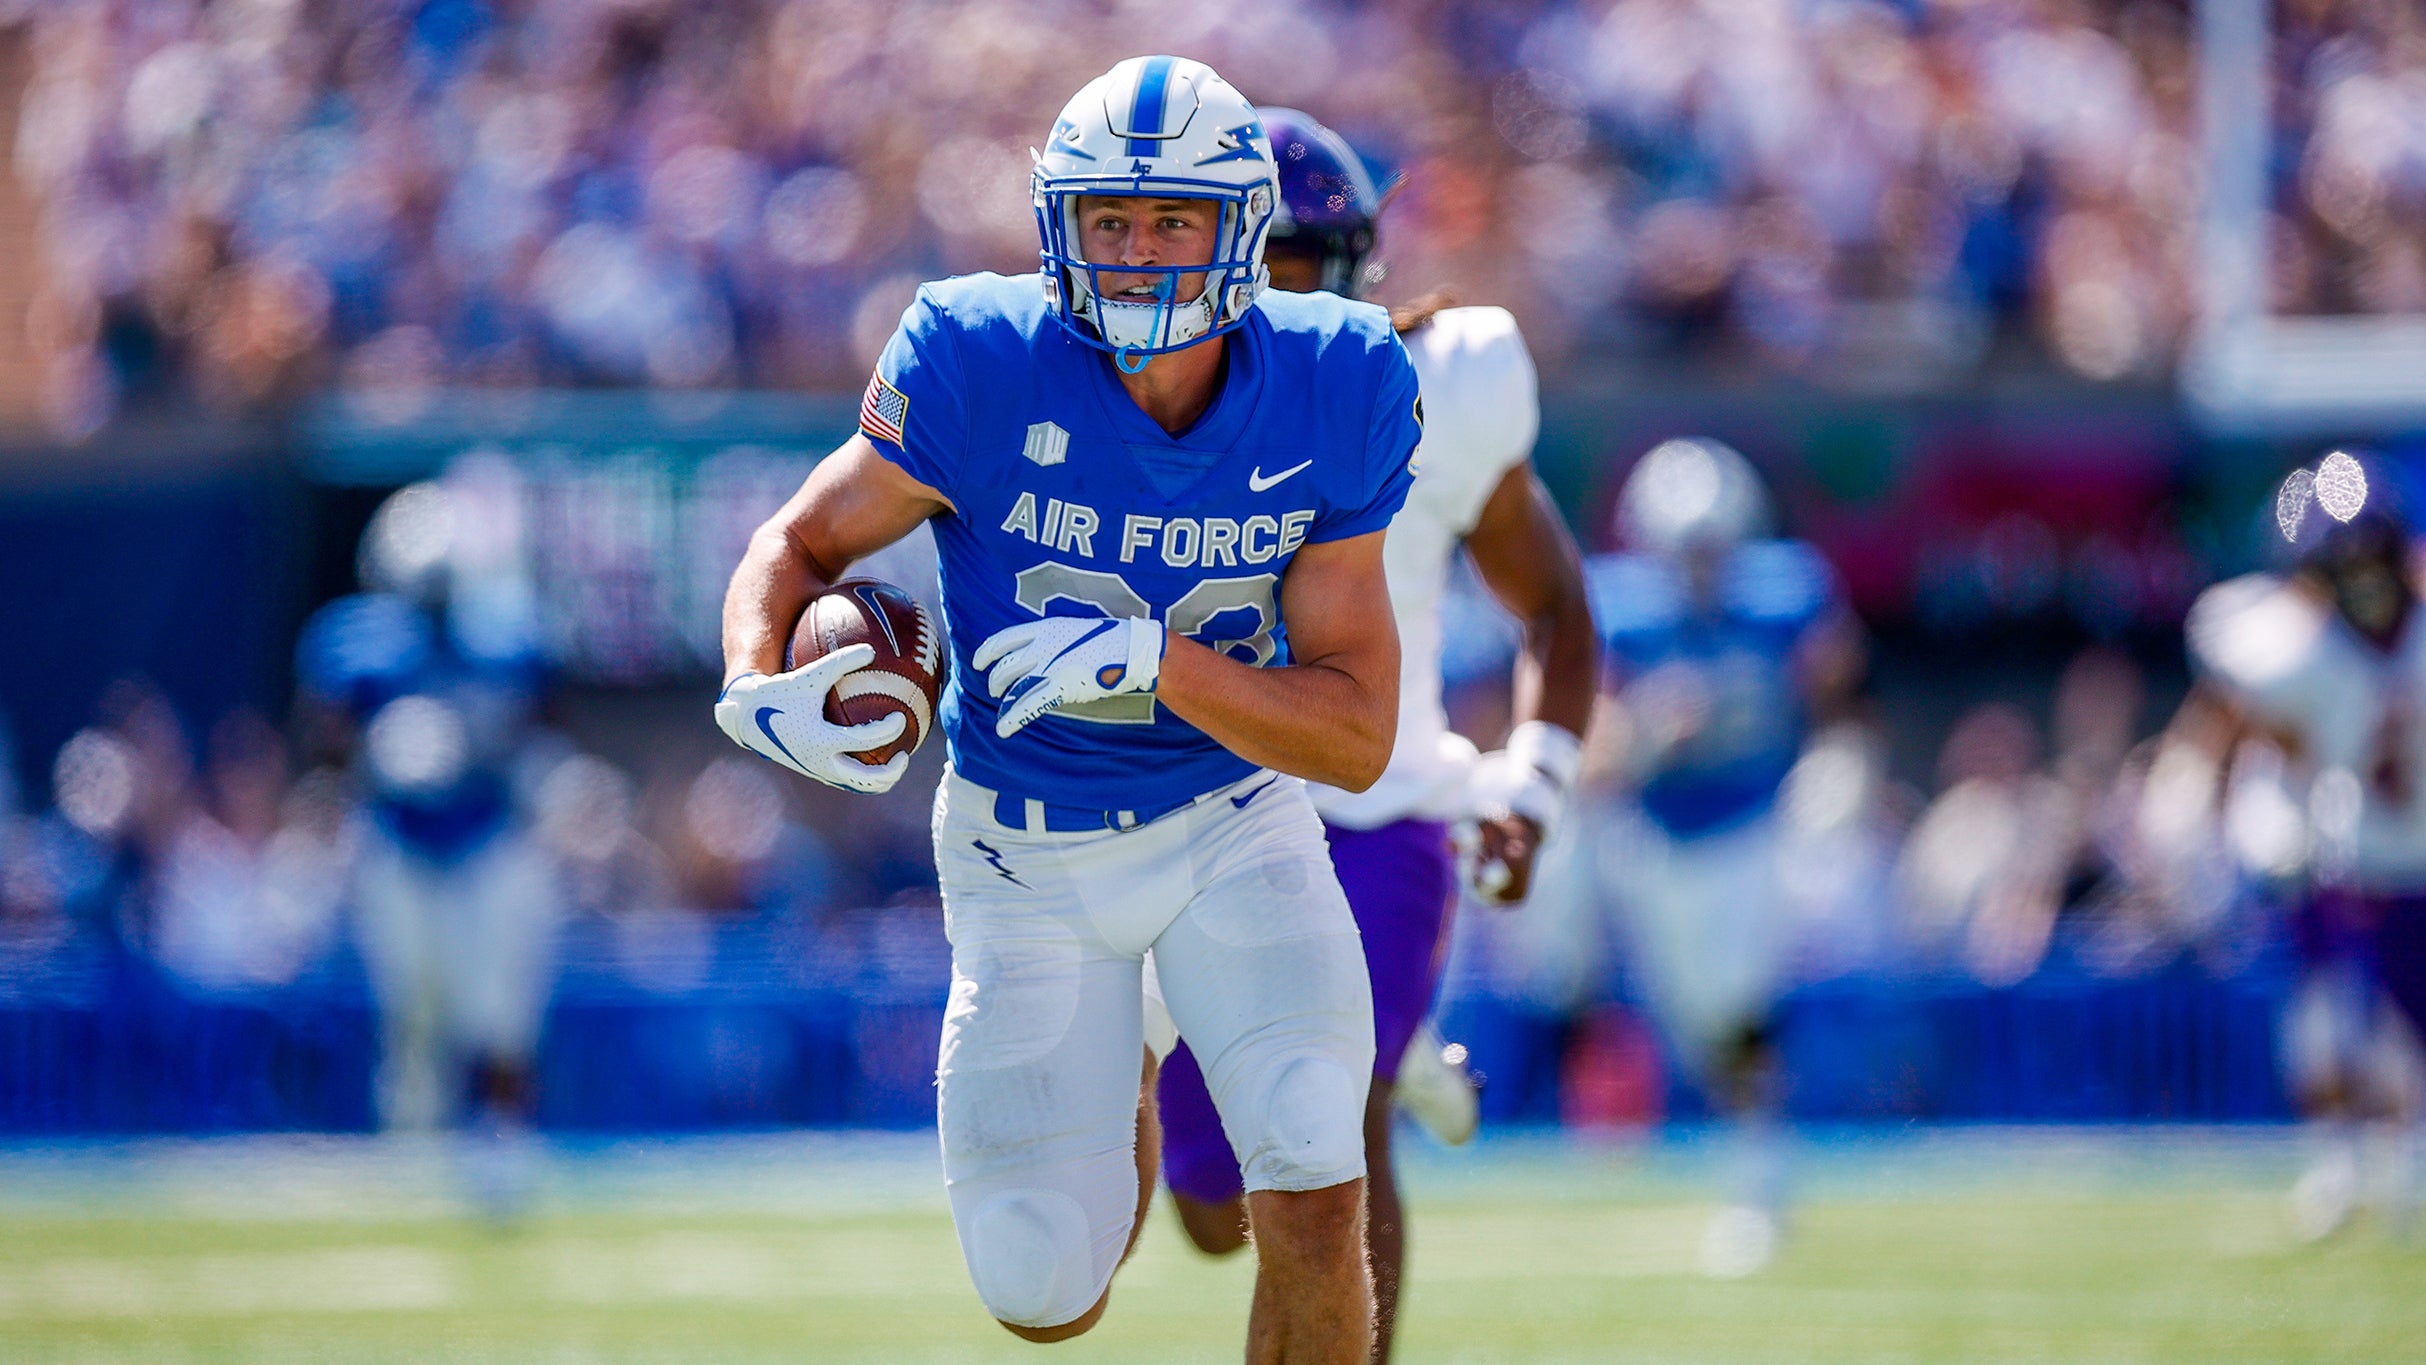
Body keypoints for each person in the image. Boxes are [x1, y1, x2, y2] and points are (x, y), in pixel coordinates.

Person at [715, 57, 1419, 1361]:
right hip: (1021, 851)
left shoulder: (1340, 373)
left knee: (1318, 1186)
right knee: (1045, 1293)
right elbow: (798, 541)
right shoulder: (977, 354)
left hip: (1231, 821)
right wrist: (758, 685)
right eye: (1109, 220)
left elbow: (1354, 730)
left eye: (1173, 221)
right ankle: (1127, 1067)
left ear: (1243, 232)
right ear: (1059, 228)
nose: (1139, 252)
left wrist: (1156, 662)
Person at [1144, 108, 1596, 1364]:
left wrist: (1535, 781)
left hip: (1379, 810)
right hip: (1202, 814)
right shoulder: (1123, 393)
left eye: (1306, 269)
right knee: (1209, 1206)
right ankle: (1394, 1058)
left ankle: (1381, 1063)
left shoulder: (1445, 386)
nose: (1283, 307)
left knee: (1330, 1135)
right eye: (1261, 269)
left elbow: (1553, 603)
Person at [1557, 436, 1861, 1276]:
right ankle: (1749, 1155)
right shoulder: (1625, 610)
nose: (1699, 566)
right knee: (1696, 1018)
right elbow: (1591, 747)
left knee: (1738, 1006)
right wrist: (1651, 729)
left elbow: (1840, 681)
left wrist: (1827, 749)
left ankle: (1761, 1179)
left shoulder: (1785, 593)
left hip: (1757, 819)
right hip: (1657, 835)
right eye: (1684, 550)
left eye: (1712, 547)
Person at [2168, 449, 2426, 1239]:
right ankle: (2370, 1165)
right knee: (2357, 1012)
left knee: (2382, 1017)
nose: (2360, 579)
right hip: (2371, 851)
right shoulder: (2302, 652)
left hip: (2380, 844)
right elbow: (2252, 715)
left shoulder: (2302, 650)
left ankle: (2387, 1164)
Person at [294, 471, 562, 1216]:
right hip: (398, 839)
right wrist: (374, 755)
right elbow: (321, 740)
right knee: (413, 1001)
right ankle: (412, 1147)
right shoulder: (359, 646)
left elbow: (545, 726)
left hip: (490, 835)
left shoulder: (507, 639)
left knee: (500, 1004)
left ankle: (502, 1144)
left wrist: (482, 752)